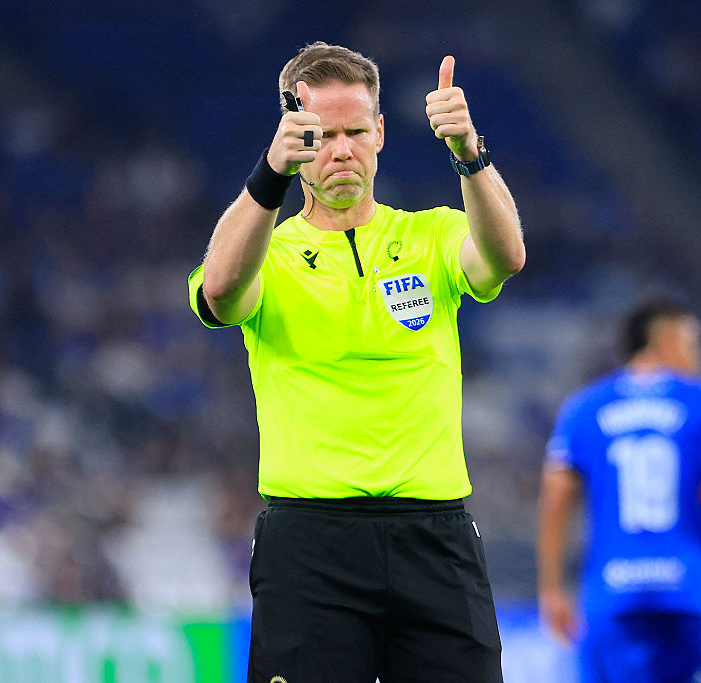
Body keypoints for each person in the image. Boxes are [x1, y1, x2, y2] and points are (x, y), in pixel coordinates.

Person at [187, 42, 524, 683]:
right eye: (322, 134)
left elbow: (504, 257)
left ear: (381, 133)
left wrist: (470, 154)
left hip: (436, 536)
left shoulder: (433, 234)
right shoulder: (270, 253)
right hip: (310, 543)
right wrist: (269, 176)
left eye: (355, 131)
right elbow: (221, 293)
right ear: (294, 136)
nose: (341, 149)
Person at [537, 297, 701, 683]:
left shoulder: (583, 408)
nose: (698, 356)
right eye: (693, 343)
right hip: (686, 591)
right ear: (665, 341)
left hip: (611, 593)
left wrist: (552, 587)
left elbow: (555, 502)